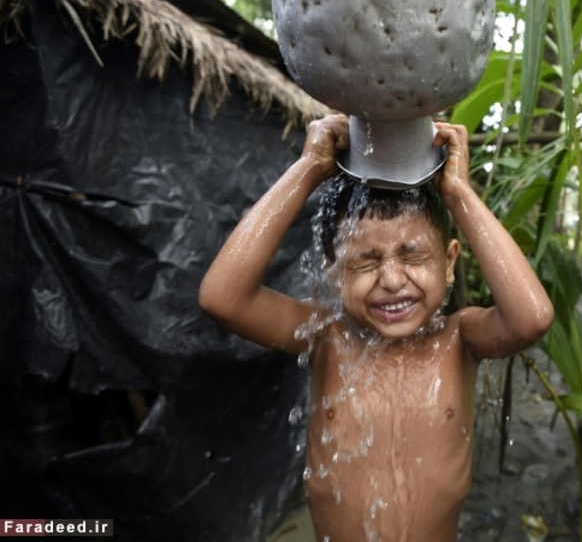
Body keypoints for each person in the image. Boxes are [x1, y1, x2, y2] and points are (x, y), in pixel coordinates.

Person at [199, 114, 554, 541]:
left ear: (449, 263)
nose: (391, 279)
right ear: (334, 273)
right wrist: (308, 168)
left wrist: (459, 193)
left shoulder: (459, 340)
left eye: (413, 256)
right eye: (365, 263)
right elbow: (222, 297)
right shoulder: (325, 334)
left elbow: (532, 317)